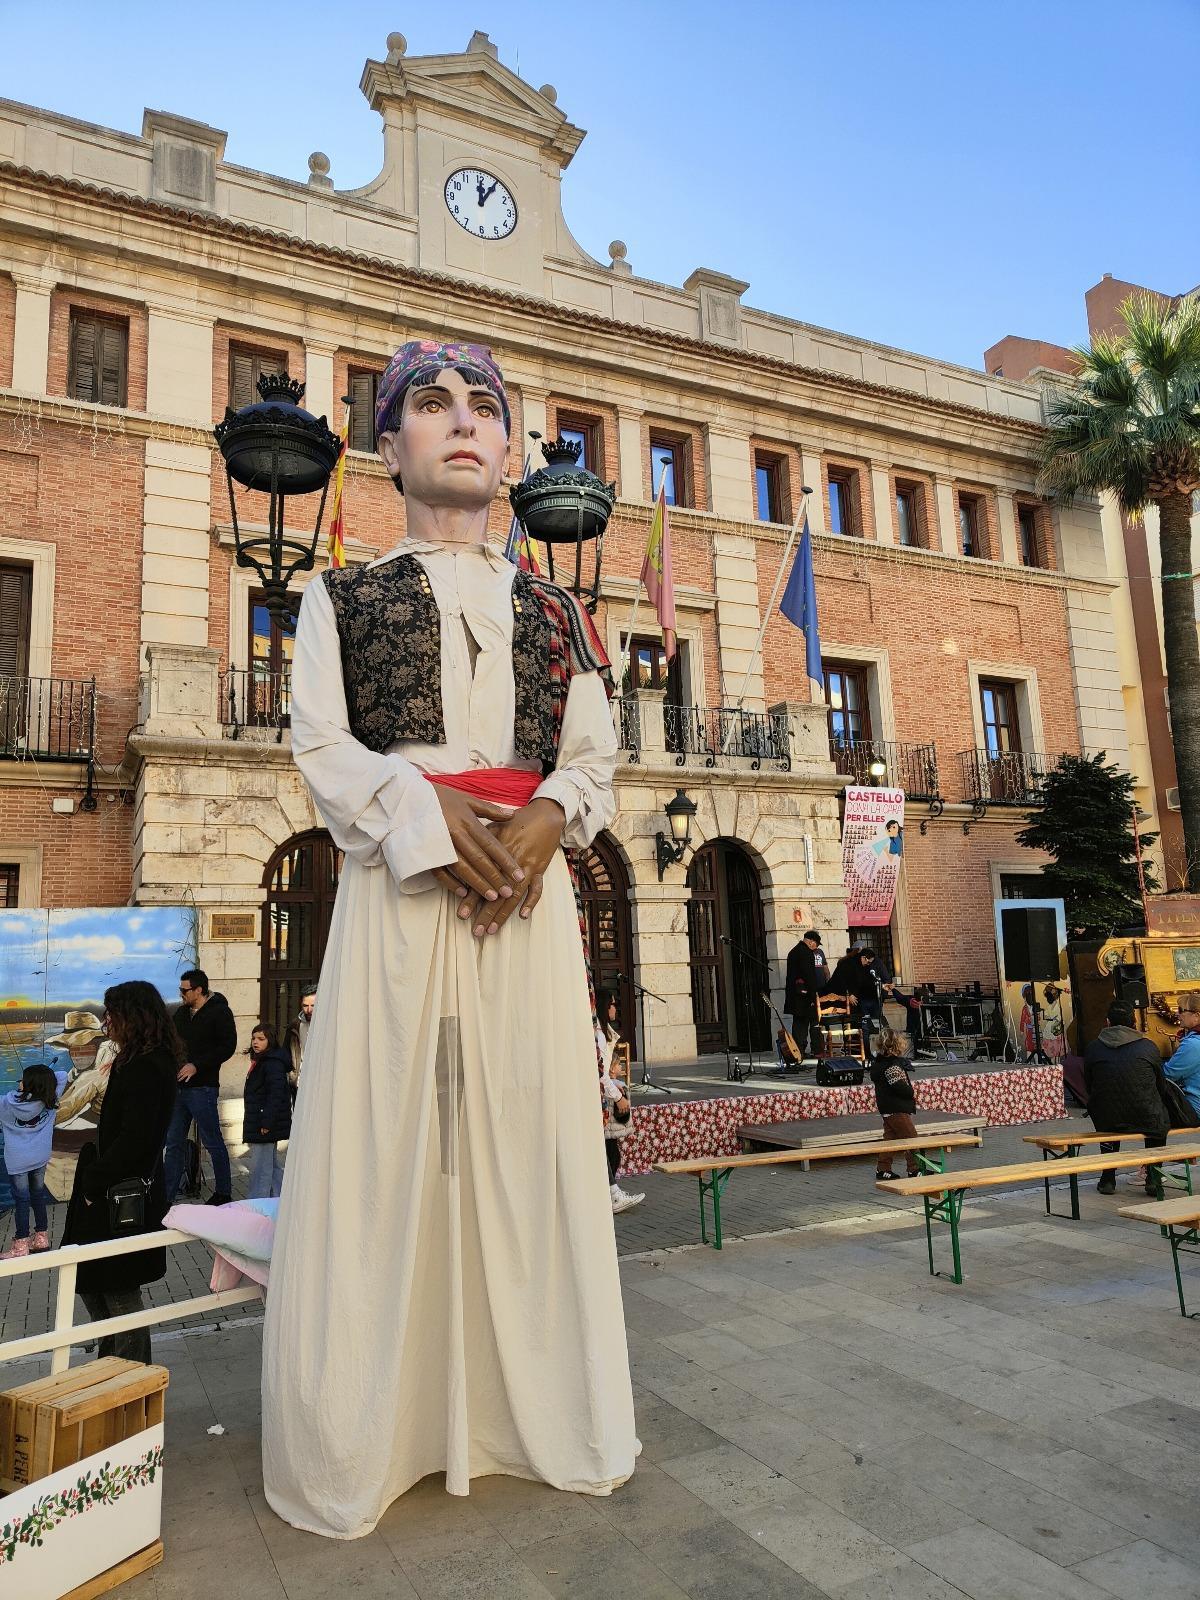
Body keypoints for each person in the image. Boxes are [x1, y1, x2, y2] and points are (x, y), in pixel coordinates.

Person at [262, 340, 637, 1541]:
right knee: (381, 1147)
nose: (463, 423)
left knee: (529, 1143)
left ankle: (534, 1414)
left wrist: (541, 826)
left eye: (486, 407)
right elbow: (321, 746)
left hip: (526, 913)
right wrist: (432, 820)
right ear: (391, 447)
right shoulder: (340, 597)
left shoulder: (563, 612)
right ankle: (372, 1436)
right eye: (433, 405)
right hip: (399, 902)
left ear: (515, 451)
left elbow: (593, 757)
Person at [61, 980, 179, 1363]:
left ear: (134, 1017)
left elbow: (135, 1138)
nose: (107, 1022)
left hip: (119, 1192)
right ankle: (114, 1365)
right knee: (96, 1282)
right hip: (114, 1185)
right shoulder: (138, 1058)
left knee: (116, 1287)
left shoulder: (146, 1064)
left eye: (113, 1014)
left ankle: (128, 1376)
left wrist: (95, 1182)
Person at [164, 968, 237, 1206]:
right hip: (179, 1089)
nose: (181, 994)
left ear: (198, 990)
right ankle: (166, 1194)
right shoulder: (181, 1014)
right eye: (180, 990)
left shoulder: (220, 1012)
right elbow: (171, 1042)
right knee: (173, 1142)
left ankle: (223, 1192)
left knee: (212, 1141)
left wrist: (197, 1065)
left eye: (185, 990)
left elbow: (227, 1047)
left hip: (202, 1088)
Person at [1082, 999, 1169, 1195]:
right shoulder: (1148, 1047)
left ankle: (1107, 1178)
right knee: (1158, 1122)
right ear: (1134, 1023)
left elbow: (1088, 1084)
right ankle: (1153, 1178)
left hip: (1107, 1117)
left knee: (1107, 1116)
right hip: (1144, 1114)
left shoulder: (1094, 1048)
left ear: (1107, 1022)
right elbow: (1160, 1085)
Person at [1, 1064, 68, 1256]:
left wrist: (18, 1092)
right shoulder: (50, 1098)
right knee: (37, 1195)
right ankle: (41, 1238)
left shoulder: (6, 1103)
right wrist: (42, 1082)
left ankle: (21, 1244)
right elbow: (61, 1074)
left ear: (29, 1083)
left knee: (22, 1200)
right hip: (39, 1157)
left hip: (18, 1161)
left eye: (23, 1079)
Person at [595, 988, 643, 1213]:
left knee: (609, 1148)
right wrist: (619, 1096)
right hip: (600, 1098)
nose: (615, 1008)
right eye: (612, 1004)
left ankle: (611, 1192)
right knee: (607, 1148)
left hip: (602, 1096)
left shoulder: (605, 1033)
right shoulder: (599, 1035)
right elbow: (601, 1072)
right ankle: (611, 1194)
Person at [243, 1024, 292, 1199]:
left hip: (264, 1121)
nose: (255, 1042)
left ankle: (258, 1203)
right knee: (270, 1164)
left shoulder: (272, 1063)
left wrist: (266, 1122)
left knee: (261, 1167)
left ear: (270, 1041)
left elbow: (276, 1094)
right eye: (254, 1038)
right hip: (262, 1118)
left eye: (261, 1039)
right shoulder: (264, 1060)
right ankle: (280, 1199)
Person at [869, 1028, 920, 1181]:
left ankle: (883, 1168)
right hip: (897, 1108)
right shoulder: (891, 1065)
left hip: (887, 1107)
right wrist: (911, 1093)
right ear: (897, 1046)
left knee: (890, 1140)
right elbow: (898, 1085)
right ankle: (915, 1169)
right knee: (911, 1138)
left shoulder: (879, 1063)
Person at [785, 930, 827, 1060]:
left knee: (798, 1024)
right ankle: (816, 1050)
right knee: (814, 1022)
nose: (816, 947)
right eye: (816, 944)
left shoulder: (793, 951)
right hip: (805, 996)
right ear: (810, 941)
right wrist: (814, 995)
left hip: (796, 995)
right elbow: (809, 976)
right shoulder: (806, 953)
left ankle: (798, 1051)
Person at [1164, 999, 1200, 1116]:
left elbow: (1167, 1074)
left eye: (1181, 1011)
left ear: (1196, 1016)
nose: (1177, 1014)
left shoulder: (1193, 1044)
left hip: (1194, 1108)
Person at [282, 989, 316, 1101]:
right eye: (305, 1006)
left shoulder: (328, 1025)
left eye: (313, 1005)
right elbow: (286, 1052)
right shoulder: (295, 1026)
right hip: (299, 1083)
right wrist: (291, 1075)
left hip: (319, 1082)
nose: (309, 1010)